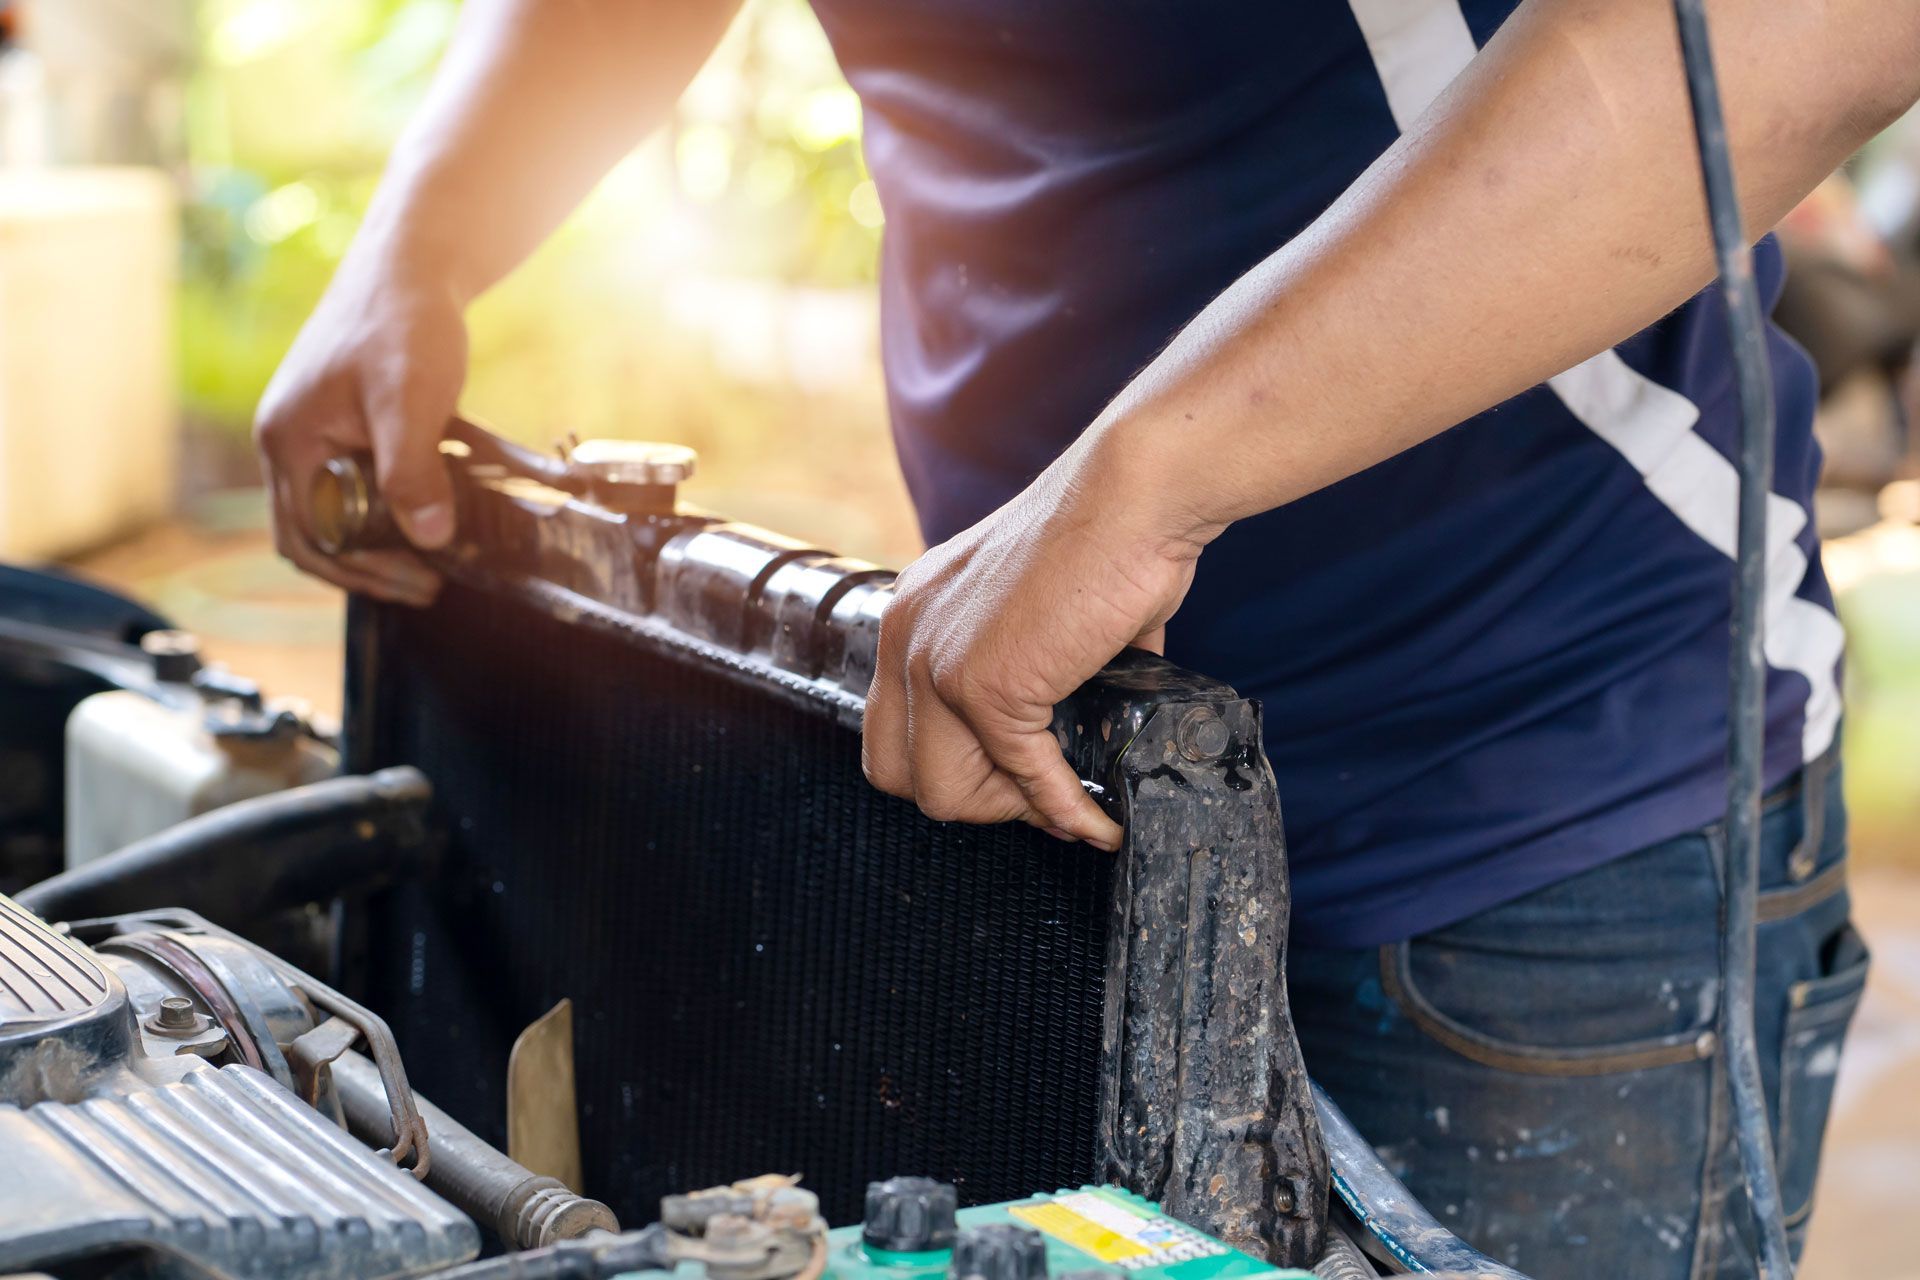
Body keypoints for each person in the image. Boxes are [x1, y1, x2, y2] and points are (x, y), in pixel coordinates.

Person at [254, 2, 1920, 1275]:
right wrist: (430, 236)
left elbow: (1809, 33)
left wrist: (1152, 476)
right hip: (1057, 808)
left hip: (1524, 784)